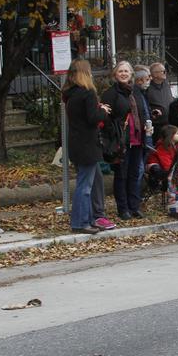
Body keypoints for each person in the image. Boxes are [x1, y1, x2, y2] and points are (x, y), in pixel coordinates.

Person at [63, 58, 112, 234]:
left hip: (76, 143)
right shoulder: (88, 92)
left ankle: (87, 218)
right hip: (88, 145)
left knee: (83, 183)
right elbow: (93, 117)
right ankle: (81, 222)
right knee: (85, 187)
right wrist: (103, 111)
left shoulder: (70, 94)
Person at [101, 61, 149, 220]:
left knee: (135, 174)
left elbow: (142, 112)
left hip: (137, 139)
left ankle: (134, 206)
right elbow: (106, 120)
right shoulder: (110, 93)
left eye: (126, 71)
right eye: (120, 71)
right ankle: (123, 209)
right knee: (121, 175)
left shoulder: (136, 91)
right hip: (121, 141)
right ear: (115, 75)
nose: (123, 74)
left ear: (131, 74)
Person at [146, 62, 173, 137]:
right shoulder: (147, 88)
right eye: (163, 71)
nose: (165, 73)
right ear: (154, 74)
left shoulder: (166, 84)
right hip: (156, 126)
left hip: (170, 123)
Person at [132, 66, 154, 149]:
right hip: (142, 131)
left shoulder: (143, 92)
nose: (150, 80)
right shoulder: (135, 94)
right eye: (147, 78)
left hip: (147, 129)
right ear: (139, 80)